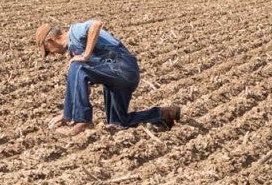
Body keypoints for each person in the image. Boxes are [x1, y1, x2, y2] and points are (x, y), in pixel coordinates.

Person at [35, 20, 181, 136]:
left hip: (121, 65)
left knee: (76, 66)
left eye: (48, 51)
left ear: (51, 40)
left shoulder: (75, 31)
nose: (52, 54)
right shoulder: (74, 50)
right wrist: (66, 112)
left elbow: (96, 24)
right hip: (121, 76)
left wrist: (86, 55)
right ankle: (164, 114)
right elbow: (80, 84)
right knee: (117, 122)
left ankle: (82, 121)